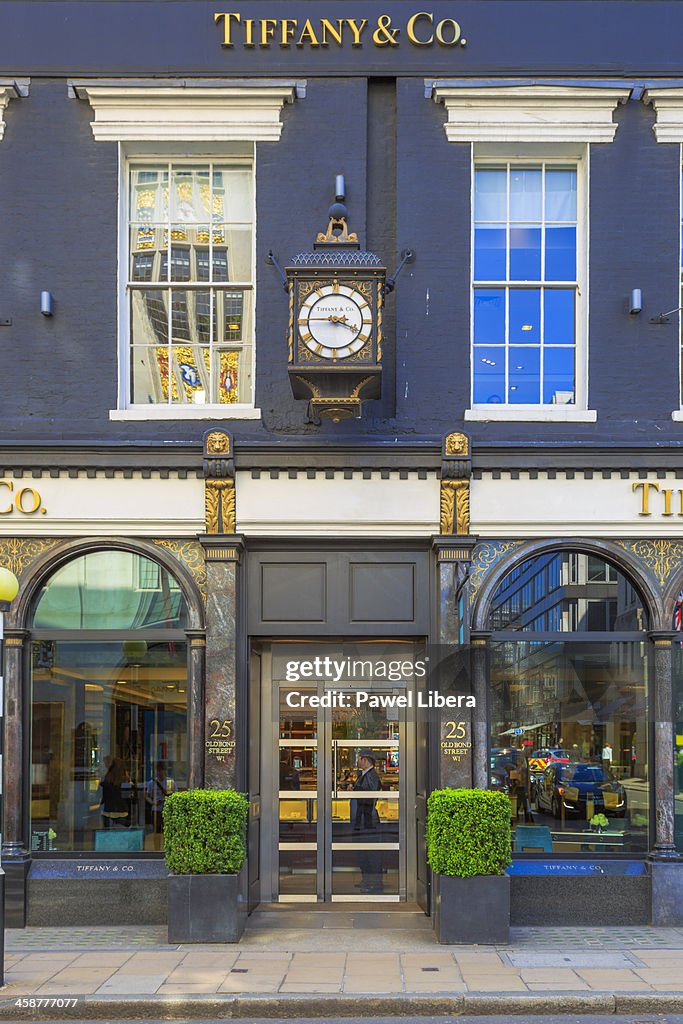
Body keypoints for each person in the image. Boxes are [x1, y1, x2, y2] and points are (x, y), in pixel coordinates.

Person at [353, 748, 383, 894]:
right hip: (363, 819)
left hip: (367, 820)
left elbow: (368, 796)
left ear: (365, 760)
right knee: (363, 851)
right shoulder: (364, 775)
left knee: (371, 852)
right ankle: (366, 879)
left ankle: (375, 883)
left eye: (359, 758)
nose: (357, 761)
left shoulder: (371, 776)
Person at [100, 756, 131, 829]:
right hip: (122, 810)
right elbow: (127, 796)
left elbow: (104, 795)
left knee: (107, 834)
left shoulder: (107, 778)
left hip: (108, 810)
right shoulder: (124, 779)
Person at [145, 762, 172, 837]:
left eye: (162, 770)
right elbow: (147, 796)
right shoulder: (152, 783)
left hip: (165, 808)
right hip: (155, 809)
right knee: (156, 831)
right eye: (158, 770)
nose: (160, 772)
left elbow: (170, 795)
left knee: (166, 830)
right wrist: (153, 803)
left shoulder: (169, 782)